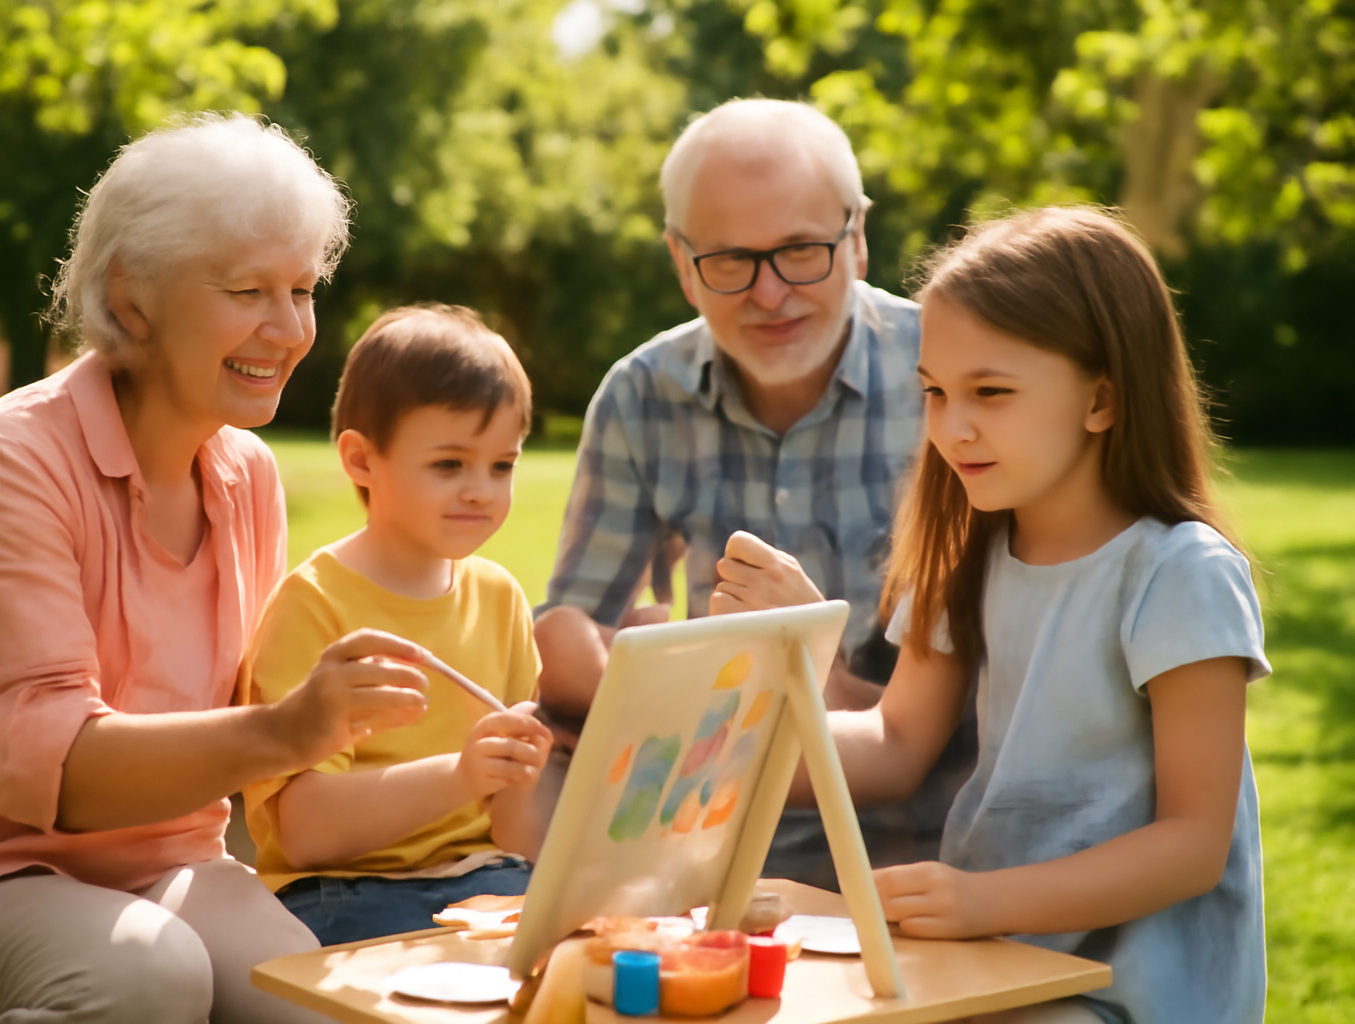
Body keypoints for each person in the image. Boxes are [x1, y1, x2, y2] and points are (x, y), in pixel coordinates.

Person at [0, 114, 439, 1024]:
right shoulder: (13, 459)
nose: (287, 328)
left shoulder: (246, 476)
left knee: (312, 1003)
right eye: (246, 290)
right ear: (133, 295)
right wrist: (284, 729)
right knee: (147, 979)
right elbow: (55, 775)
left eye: (302, 289)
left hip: (159, 867)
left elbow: (252, 771)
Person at [724, 207, 1268, 1024]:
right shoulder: (963, 559)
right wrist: (744, 716)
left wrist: (984, 902)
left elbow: (1192, 843)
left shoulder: (1178, 574)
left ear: (1102, 398)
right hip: (992, 961)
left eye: (991, 392)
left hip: (1131, 993)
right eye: (935, 393)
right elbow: (895, 741)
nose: (952, 427)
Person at [534, 97, 975, 873]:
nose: (770, 294)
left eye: (801, 250)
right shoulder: (640, 399)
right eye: (731, 260)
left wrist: (810, 676)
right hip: (708, 857)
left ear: (858, 238)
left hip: (934, 856)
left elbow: (977, 719)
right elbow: (573, 654)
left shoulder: (954, 385)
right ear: (681, 263)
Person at [240, 305, 554, 948]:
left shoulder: (500, 598)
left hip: (490, 881)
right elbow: (304, 833)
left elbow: (518, 833)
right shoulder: (316, 605)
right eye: (449, 465)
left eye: (503, 465)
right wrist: (461, 777)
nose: (481, 491)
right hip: (347, 891)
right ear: (361, 460)